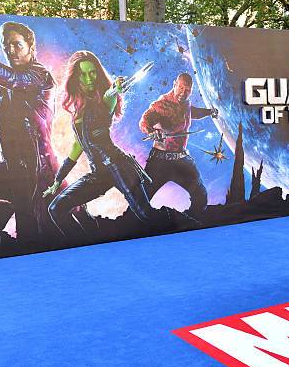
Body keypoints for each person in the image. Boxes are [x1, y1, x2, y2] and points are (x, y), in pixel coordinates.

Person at [43, 51, 167, 236]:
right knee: (56, 208)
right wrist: (58, 180)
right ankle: (84, 245)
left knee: (146, 214)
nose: (88, 78)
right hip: (98, 173)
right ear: (75, 78)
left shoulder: (105, 99)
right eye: (83, 74)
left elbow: (111, 94)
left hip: (118, 166)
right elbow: (76, 149)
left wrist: (116, 88)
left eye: (92, 72)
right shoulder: (78, 113)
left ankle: (182, 234)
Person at [0, 21, 63, 243]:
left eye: (17, 44)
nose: (10, 50)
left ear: (31, 47)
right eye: (6, 45)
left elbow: (16, 81)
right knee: (23, 214)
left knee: (30, 219)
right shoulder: (6, 85)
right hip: (14, 161)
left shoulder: (38, 75)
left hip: (37, 165)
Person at [139, 73, 218, 220]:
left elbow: (192, 112)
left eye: (187, 90)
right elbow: (144, 120)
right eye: (181, 88)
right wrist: (152, 131)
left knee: (200, 197)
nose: (183, 92)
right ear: (174, 84)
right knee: (141, 200)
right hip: (160, 162)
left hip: (181, 159)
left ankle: (188, 226)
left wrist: (209, 112)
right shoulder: (162, 104)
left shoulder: (186, 103)